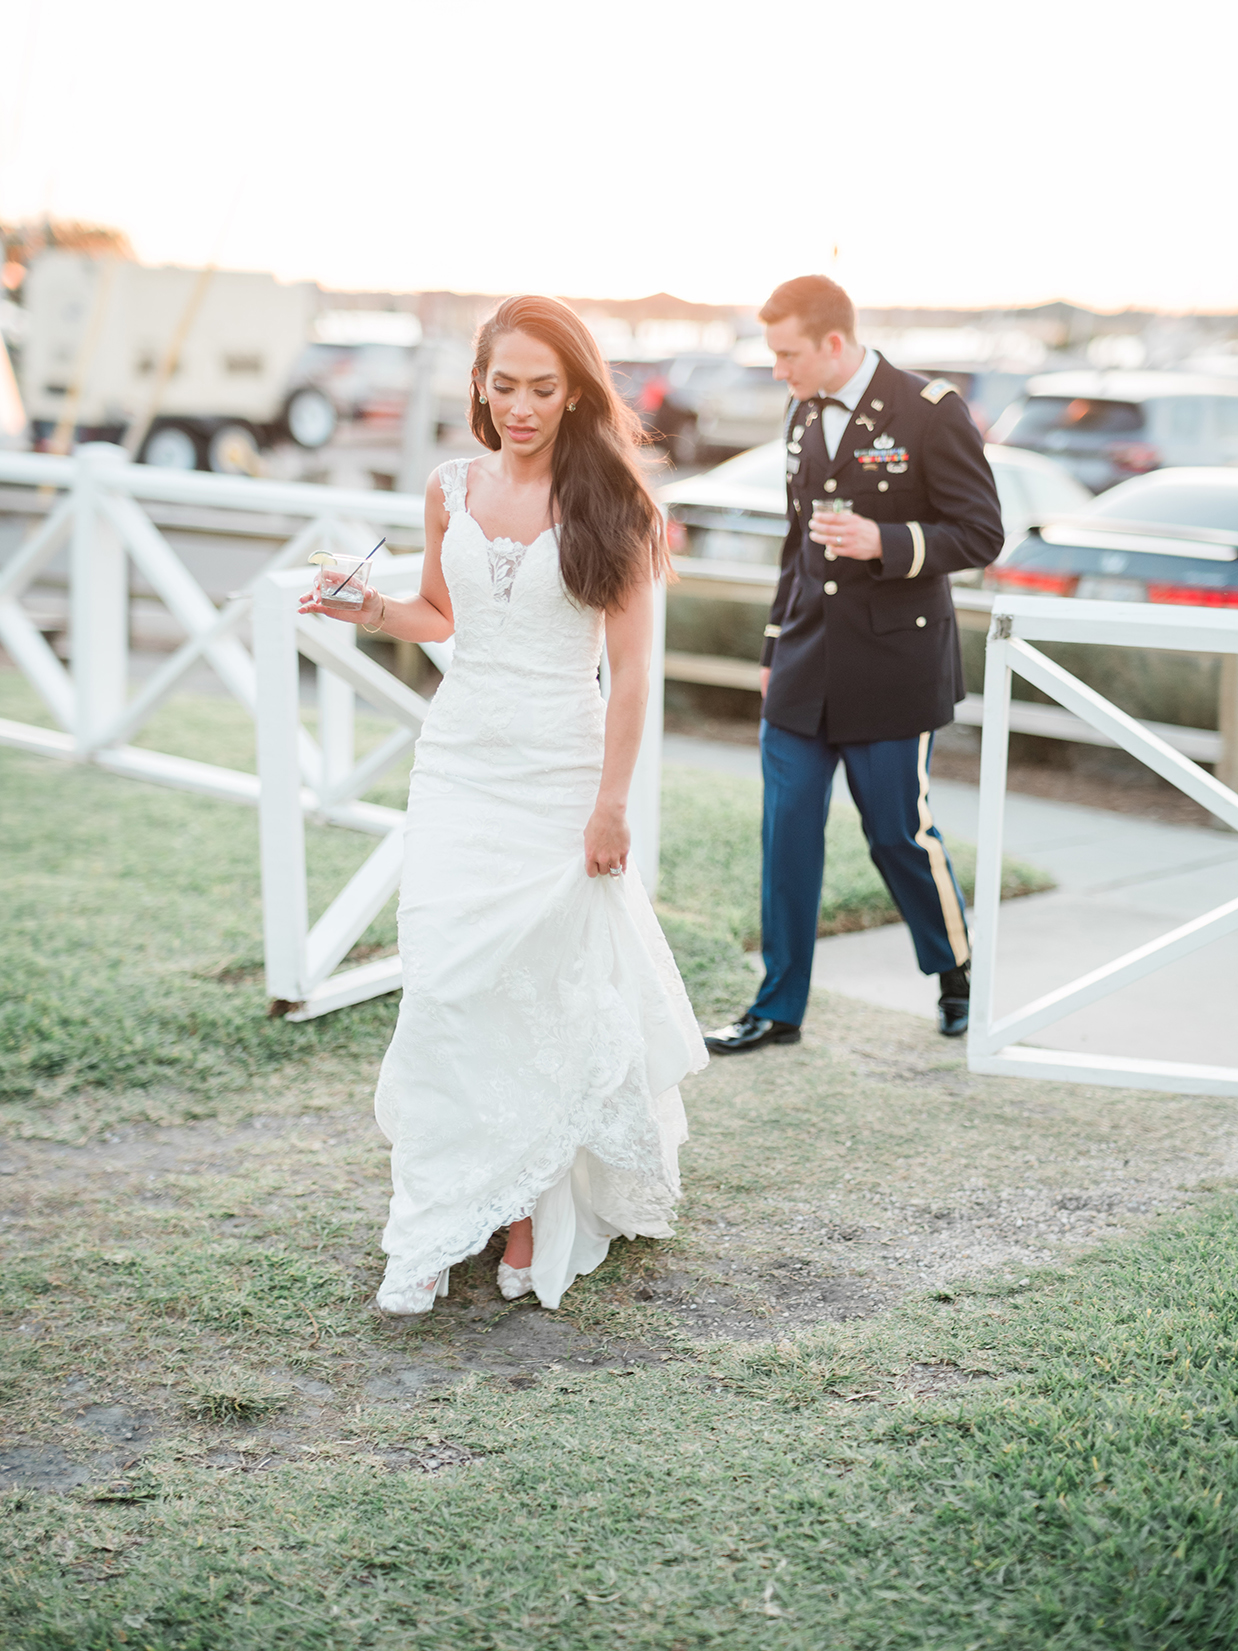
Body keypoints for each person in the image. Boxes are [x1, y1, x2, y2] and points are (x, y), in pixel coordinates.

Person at [300, 296, 706, 1314]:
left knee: (536, 992)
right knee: (444, 986)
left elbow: (631, 674)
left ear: (574, 392)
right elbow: (441, 612)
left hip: (559, 780)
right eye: (503, 383)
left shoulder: (616, 506)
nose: (519, 405)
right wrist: (370, 608)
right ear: (477, 383)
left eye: (541, 386)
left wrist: (610, 806)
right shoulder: (449, 488)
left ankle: (524, 1212)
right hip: (459, 771)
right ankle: (432, 1219)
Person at [704, 275, 1003, 1056]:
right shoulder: (800, 410)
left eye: (787, 353)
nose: (778, 369)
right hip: (804, 660)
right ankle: (778, 1007)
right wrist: (774, 648)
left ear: (833, 342)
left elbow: (981, 533)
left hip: (894, 666)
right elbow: (796, 544)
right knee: (787, 828)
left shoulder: (930, 411)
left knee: (898, 833)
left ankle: (958, 973)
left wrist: (889, 542)